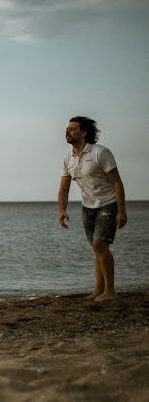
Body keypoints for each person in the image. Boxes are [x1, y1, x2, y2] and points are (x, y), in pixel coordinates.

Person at [58, 116, 127, 301]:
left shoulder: (100, 153)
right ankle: (98, 290)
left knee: (100, 244)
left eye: (72, 129)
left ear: (84, 132)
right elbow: (64, 187)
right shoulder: (68, 158)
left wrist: (121, 210)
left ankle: (110, 291)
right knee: (96, 249)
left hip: (108, 203)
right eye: (67, 128)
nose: (67, 131)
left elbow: (117, 182)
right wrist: (62, 210)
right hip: (87, 207)